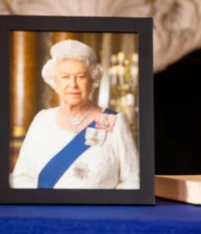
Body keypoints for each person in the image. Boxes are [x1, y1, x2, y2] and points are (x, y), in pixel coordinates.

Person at [10, 39, 139, 189]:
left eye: (80, 76)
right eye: (65, 77)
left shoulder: (113, 122)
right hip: (45, 211)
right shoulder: (42, 121)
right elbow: (21, 176)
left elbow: (133, 181)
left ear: (93, 80)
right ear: (55, 82)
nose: (72, 84)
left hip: (98, 212)